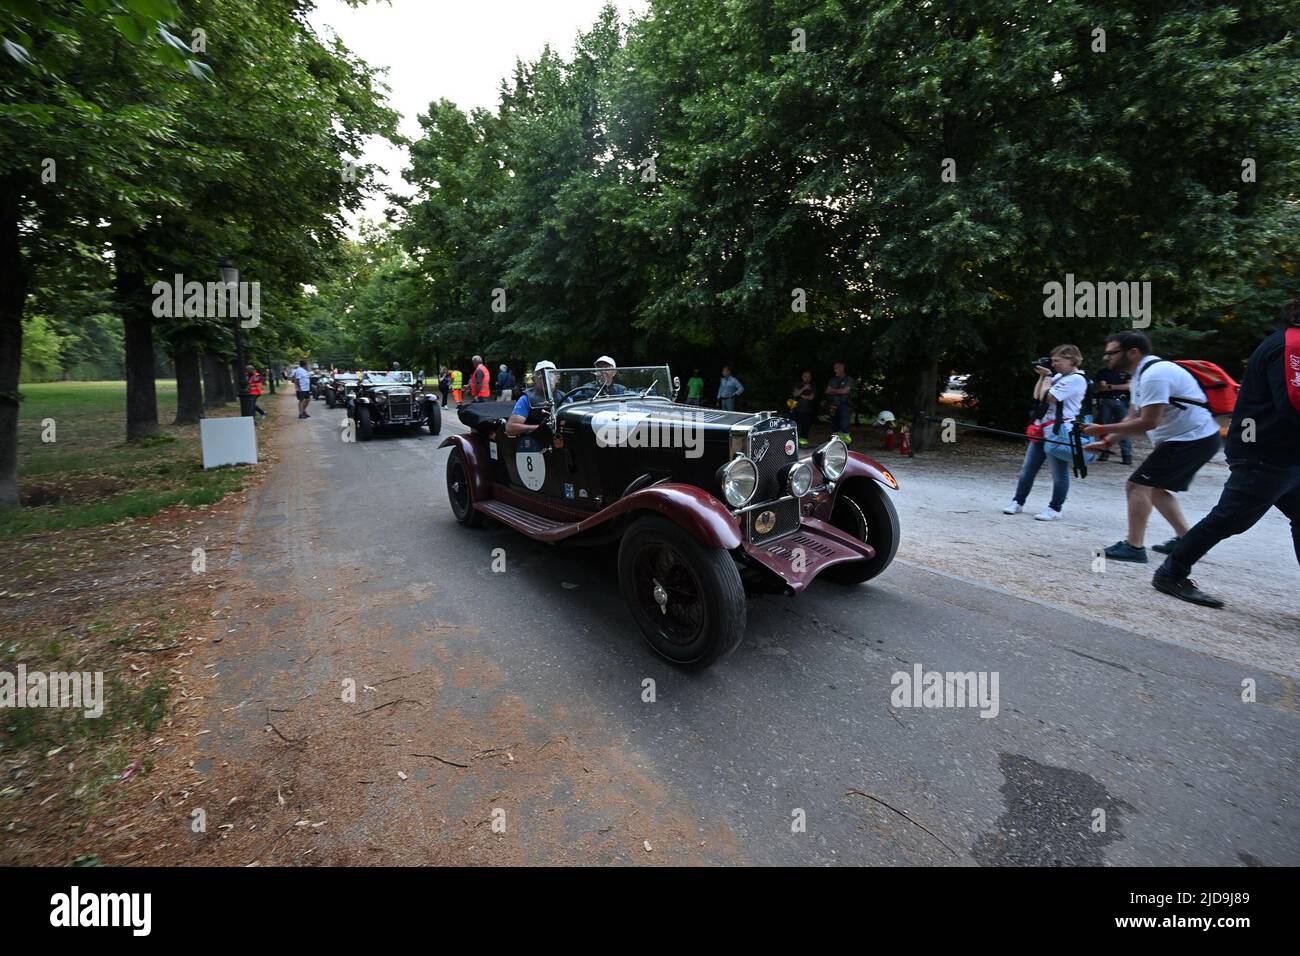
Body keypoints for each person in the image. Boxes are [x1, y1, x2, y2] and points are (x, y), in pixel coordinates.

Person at [1150, 302, 1300, 606]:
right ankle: (1171, 573)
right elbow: (1294, 402)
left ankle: (1172, 570)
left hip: (1283, 451)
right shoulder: (1293, 343)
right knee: (1231, 517)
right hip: (1268, 450)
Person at [1083, 330, 1222, 562]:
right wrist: (1107, 441)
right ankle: (1187, 541)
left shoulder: (1155, 374)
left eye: (1111, 353)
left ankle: (1134, 547)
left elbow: (1149, 421)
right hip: (1192, 439)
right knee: (1155, 490)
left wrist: (1101, 429)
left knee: (1137, 485)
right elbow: (1132, 416)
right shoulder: (1140, 375)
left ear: (1133, 352)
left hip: (1192, 439)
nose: (1106, 358)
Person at [1003, 344, 1087, 520]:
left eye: (1058, 361)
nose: (1054, 364)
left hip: (1058, 431)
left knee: (1059, 473)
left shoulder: (1076, 379)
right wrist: (1043, 377)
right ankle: (1017, 501)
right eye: (1053, 361)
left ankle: (1055, 509)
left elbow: (1050, 397)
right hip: (1042, 429)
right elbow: (1037, 395)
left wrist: (1048, 376)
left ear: (1071, 360)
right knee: (1027, 469)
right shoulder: (1059, 376)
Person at [1093, 362, 1133, 464]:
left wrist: (1110, 386)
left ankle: (1126, 454)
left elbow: (1129, 386)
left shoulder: (1125, 372)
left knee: (1124, 427)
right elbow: (1102, 387)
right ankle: (1104, 451)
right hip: (1105, 401)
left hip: (1121, 401)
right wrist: (1120, 386)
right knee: (1103, 427)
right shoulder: (1103, 372)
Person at [507, 361, 556, 437]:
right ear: (534, 379)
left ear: (557, 377)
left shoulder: (565, 397)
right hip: (538, 441)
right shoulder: (527, 399)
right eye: (541, 374)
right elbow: (511, 428)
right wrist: (538, 428)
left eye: (551, 373)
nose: (546, 377)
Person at [825, 361, 855, 443]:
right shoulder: (832, 380)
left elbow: (845, 391)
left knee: (844, 425)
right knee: (834, 426)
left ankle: (846, 446)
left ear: (842, 368)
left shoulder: (849, 379)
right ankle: (836, 443)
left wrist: (833, 390)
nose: (835, 370)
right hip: (833, 406)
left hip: (844, 405)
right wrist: (839, 391)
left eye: (836, 368)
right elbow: (827, 391)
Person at [791, 371, 815, 446]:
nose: (807, 378)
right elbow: (795, 394)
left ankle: (802, 444)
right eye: (805, 376)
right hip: (796, 410)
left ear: (810, 378)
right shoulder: (798, 384)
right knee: (794, 428)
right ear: (802, 377)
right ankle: (792, 444)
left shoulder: (813, 386)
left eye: (808, 376)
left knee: (805, 428)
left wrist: (800, 395)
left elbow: (811, 397)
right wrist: (804, 388)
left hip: (807, 410)